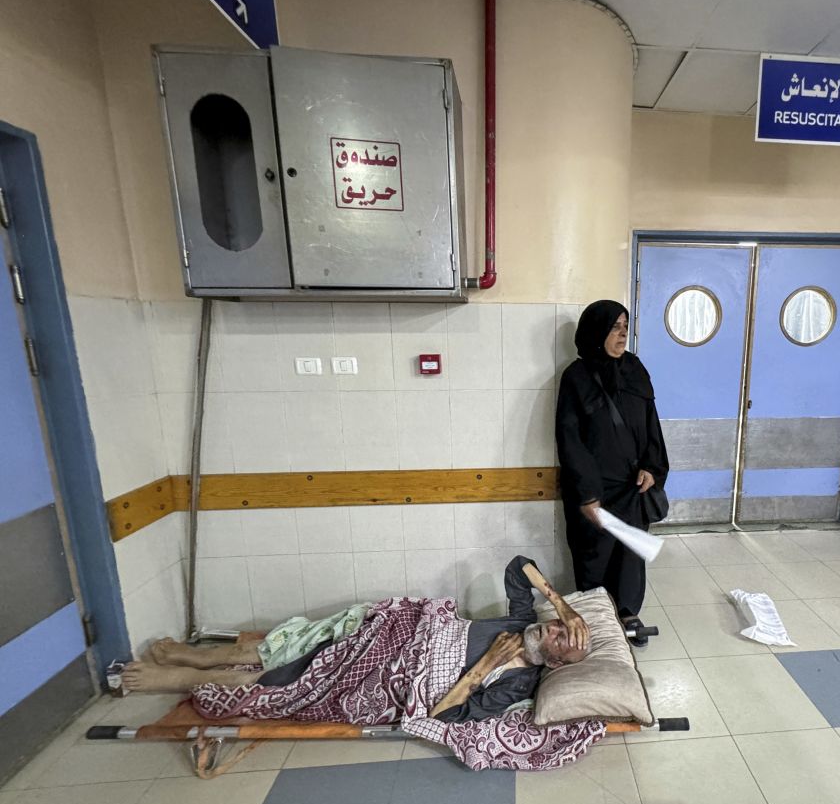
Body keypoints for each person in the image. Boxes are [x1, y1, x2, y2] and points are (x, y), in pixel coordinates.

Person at [121, 556, 589, 723]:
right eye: (560, 622)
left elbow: (447, 714)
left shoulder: (518, 684)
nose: (554, 627)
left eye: (563, 637)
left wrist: (484, 666)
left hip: (392, 670)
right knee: (295, 640)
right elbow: (517, 565)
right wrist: (562, 601)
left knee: (286, 676)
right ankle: (203, 653)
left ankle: (181, 675)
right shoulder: (521, 620)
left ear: (558, 664)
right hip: (399, 628)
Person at [556, 300, 669, 641]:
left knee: (630, 559)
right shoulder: (576, 377)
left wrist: (652, 468)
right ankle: (597, 620)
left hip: (633, 488)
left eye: (625, 326)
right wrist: (587, 495)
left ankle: (628, 616)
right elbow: (570, 439)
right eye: (614, 327)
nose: (622, 335)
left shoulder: (635, 369)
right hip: (596, 494)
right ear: (595, 332)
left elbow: (651, 423)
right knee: (596, 558)